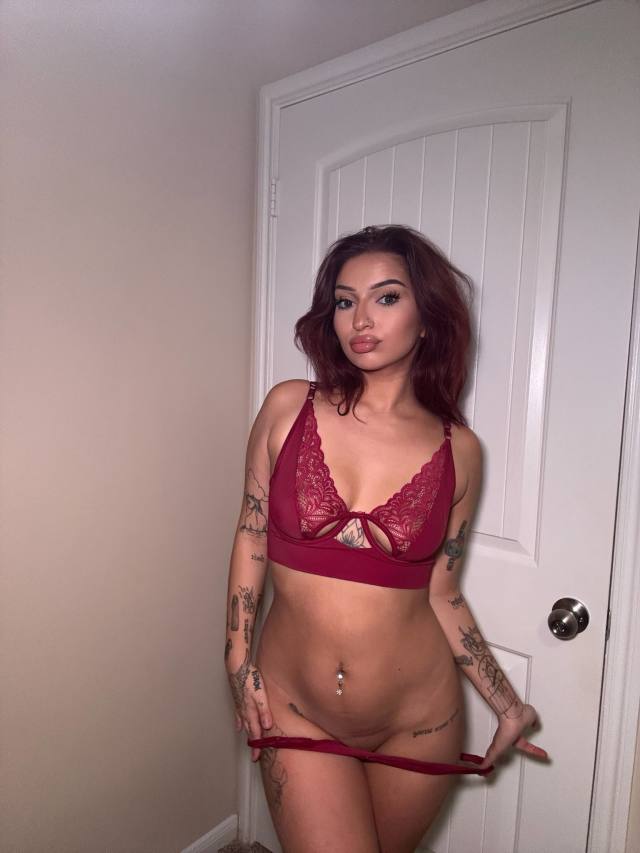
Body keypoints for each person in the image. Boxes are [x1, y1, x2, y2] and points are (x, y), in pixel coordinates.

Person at [224, 225, 547, 853]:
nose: (361, 319)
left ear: (428, 319)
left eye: (387, 297)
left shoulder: (459, 450)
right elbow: (251, 534)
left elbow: (443, 593)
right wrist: (237, 659)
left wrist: (507, 703)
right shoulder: (289, 406)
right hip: (296, 706)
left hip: (418, 723)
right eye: (345, 301)